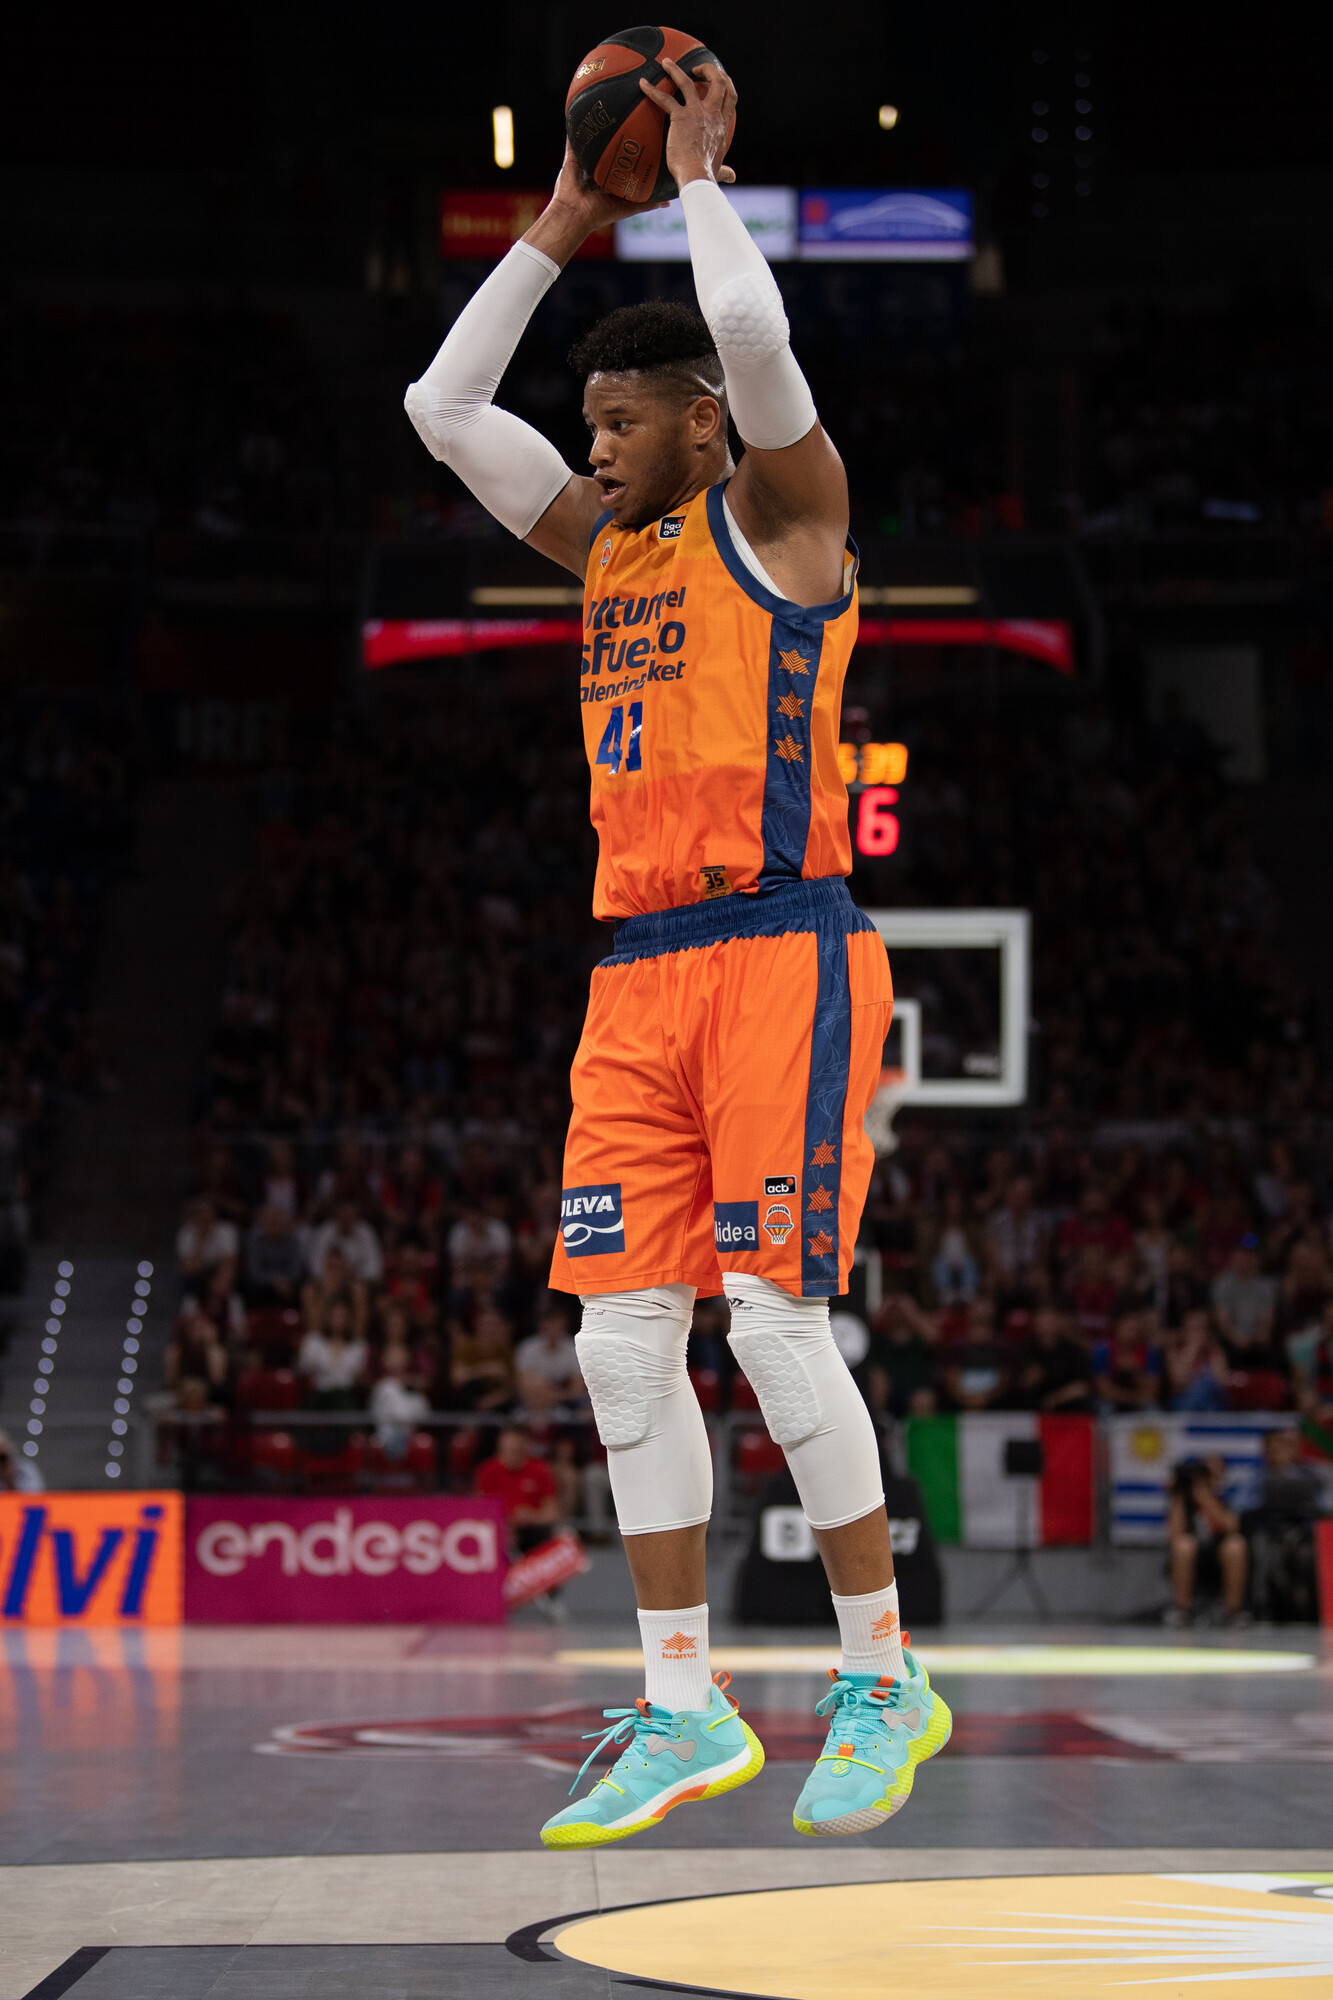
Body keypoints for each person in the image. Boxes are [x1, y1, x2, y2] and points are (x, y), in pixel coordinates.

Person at [404, 54, 948, 1852]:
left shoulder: (786, 519)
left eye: (623, 425)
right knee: (621, 1348)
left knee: (778, 1328)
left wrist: (701, 177)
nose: (595, 451)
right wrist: (566, 215)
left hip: (782, 949)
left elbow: (758, 338)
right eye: (592, 428)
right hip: (634, 970)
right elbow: (438, 402)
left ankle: (881, 1678)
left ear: (702, 426)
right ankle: (681, 1702)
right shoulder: (604, 549)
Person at [1165, 1455, 1248, 1626]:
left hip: (1220, 1549)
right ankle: (1181, 1610)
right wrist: (1179, 1496)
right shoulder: (1185, 1498)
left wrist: (1205, 1498)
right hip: (1194, 1552)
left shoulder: (1229, 1494)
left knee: (1236, 1546)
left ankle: (1233, 1611)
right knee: (1183, 1546)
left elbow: (1231, 1526)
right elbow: (1173, 1535)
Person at [514, 1302, 585, 1413]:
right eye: (549, 1326)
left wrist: (551, 1396)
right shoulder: (527, 1348)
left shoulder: (574, 1348)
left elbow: (577, 1388)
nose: (553, 1331)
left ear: (564, 1326)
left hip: (565, 1403)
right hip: (531, 1402)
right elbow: (521, 1384)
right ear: (541, 1326)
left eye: (557, 1326)